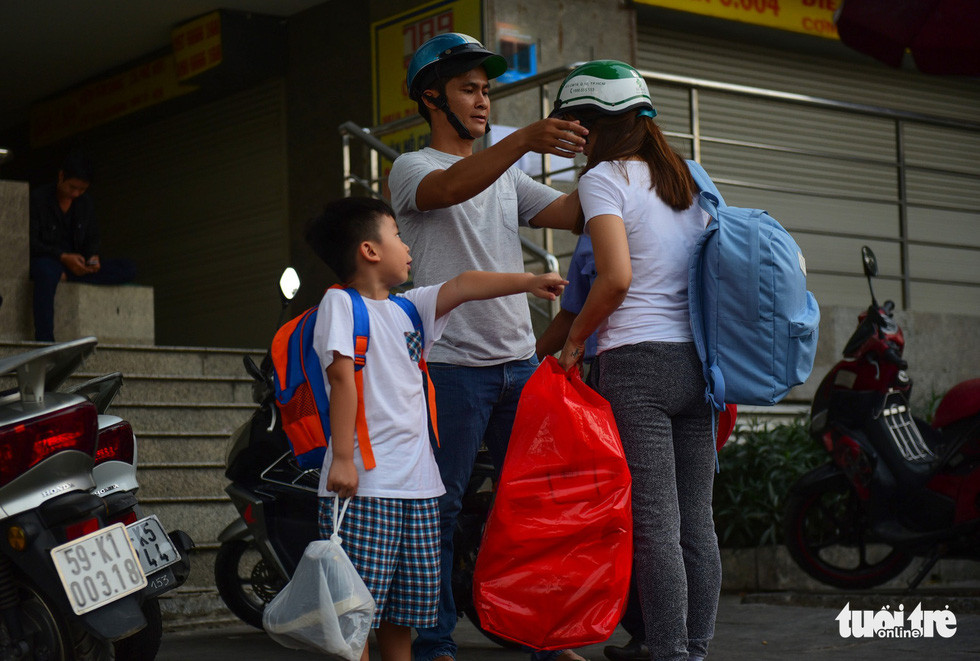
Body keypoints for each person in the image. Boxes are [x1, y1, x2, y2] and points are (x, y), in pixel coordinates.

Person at [386, 33, 590, 661]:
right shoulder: (412, 167)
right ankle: (434, 642)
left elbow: (572, 213)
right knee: (438, 510)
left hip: (520, 365)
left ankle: (541, 638)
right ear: (431, 97)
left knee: (533, 511)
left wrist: (616, 158)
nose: (482, 101)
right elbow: (449, 192)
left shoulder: (505, 173)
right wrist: (524, 141)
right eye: (468, 89)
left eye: (486, 90)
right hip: (448, 370)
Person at [305, 196, 566, 661]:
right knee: (354, 619)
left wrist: (530, 280)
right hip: (366, 487)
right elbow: (342, 379)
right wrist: (342, 458)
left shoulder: (409, 309)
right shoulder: (339, 303)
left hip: (421, 489)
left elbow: (465, 284)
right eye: (398, 236)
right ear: (369, 250)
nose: (408, 248)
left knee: (402, 615)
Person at [552, 61, 721, 661]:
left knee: (655, 522)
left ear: (597, 124)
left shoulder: (606, 180)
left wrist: (573, 346)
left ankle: (667, 649)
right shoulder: (688, 177)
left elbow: (615, 278)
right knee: (695, 521)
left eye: (578, 125)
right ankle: (693, 645)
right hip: (699, 364)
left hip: (637, 364)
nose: (575, 137)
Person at [535, 233, 649, 661]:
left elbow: (576, 312)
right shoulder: (689, 209)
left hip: (621, 376)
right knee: (682, 518)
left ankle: (648, 632)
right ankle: (677, 639)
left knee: (621, 510)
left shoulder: (606, 222)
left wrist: (542, 360)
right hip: (694, 376)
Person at [29, 151, 136, 342]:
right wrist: (62, 257)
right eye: (72, 187)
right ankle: (44, 339)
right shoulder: (39, 199)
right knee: (45, 272)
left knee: (127, 268)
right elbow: (31, 242)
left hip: (77, 265)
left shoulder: (85, 204)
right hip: (51, 260)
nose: (76, 193)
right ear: (61, 176)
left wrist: (92, 258)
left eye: (82, 189)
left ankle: (70, 275)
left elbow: (92, 237)